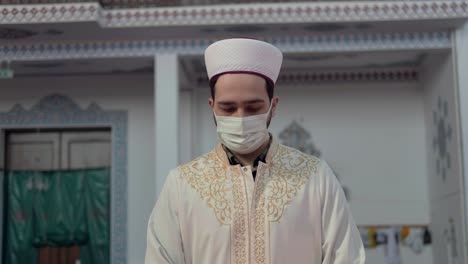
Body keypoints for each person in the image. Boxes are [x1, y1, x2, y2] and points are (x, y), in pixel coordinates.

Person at [145, 38, 365, 264]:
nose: (240, 118)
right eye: (228, 108)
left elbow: (346, 257)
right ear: (212, 106)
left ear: (273, 106)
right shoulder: (182, 184)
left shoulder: (315, 177)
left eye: (253, 107)